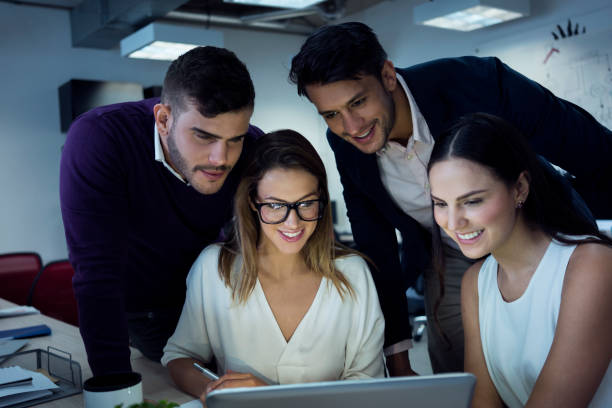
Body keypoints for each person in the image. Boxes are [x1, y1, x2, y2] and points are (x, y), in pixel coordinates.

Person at [288, 21, 612, 375]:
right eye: (331, 115)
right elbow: (375, 245)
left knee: (558, 353)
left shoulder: (477, 83)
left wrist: (589, 240)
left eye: (359, 102)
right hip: (447, 255)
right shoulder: (344, 144)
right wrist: (398, 359)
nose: (351, 126)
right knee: (459, 372)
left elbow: (590, 148)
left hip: (536, 232)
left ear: (388, 76)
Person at [60, 46, 263, 376]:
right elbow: (96, 274)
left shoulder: (252, 146)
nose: (220, 158)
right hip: (144, 308)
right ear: (164, 119)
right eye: (204, 136)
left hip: (213, 300)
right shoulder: (100, 138)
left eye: (234, 139)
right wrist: (115, 391)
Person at [161, 130, 385, 403]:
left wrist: (270, 399)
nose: (293, 223)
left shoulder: (353, 274)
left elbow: (369, 388)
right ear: (253, 202)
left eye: (306, 203)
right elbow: (179, 357)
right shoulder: (214, 269)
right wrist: (213, 391)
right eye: (276, 206)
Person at [427, 112, 612, 407]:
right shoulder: (475, 282)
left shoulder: (591, 266)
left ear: (520, 188)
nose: (453, 222)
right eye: (440, 204)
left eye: (472, 201)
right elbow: (483, 402)